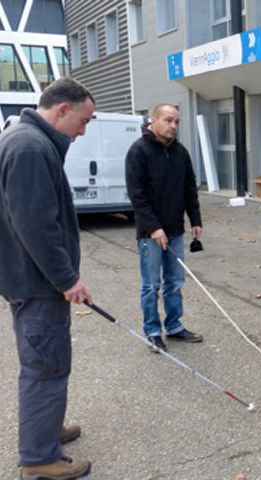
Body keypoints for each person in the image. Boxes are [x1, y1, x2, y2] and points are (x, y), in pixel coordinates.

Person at [0, 77, 95, 479]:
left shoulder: (24, 139)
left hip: (30, 279)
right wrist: (67, 279)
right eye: (83, 119)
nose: (83, 130)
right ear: (61, 110)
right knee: (45, 367)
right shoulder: (30, 147)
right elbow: (36, 225)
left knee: (45, 360)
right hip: (37, 283)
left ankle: (47, 429)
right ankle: (40, 459)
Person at [125, 104, 204, 352]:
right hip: (151, 234)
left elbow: (190, 188)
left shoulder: (180, 152)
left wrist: (196, 219)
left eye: (177, 122)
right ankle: (152, 332)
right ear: (154, 120)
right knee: (151, 286)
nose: (173, 126)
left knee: (175, 282)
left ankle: (174, 326)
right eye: (168, 120)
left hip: (175, 230)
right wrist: (153, 227)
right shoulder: (138, 151)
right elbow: (137, 196)